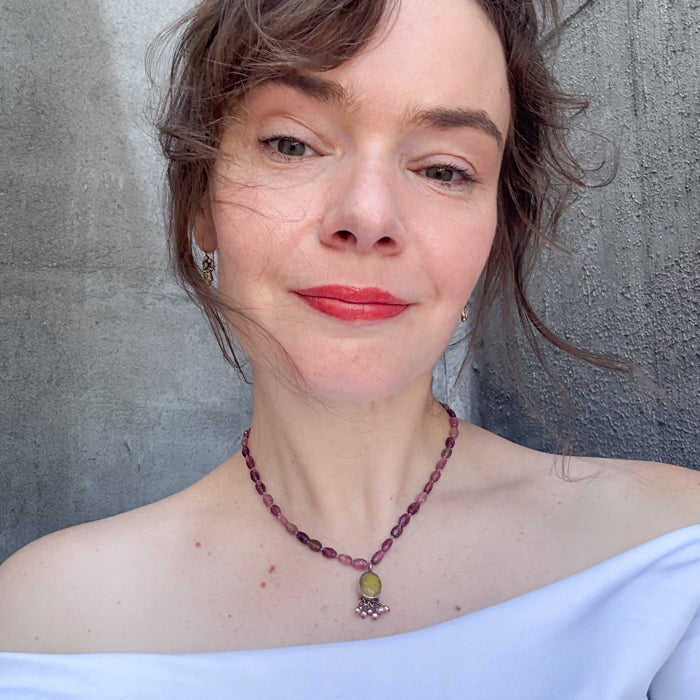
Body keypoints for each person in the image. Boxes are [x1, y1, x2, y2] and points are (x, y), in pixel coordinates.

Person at [0, 0, 698, 697]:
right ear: (199, 205)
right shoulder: (44, 626)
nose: (368, 217)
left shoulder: (672, 557)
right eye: (291, 144)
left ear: (494, 233)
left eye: (445, 170)